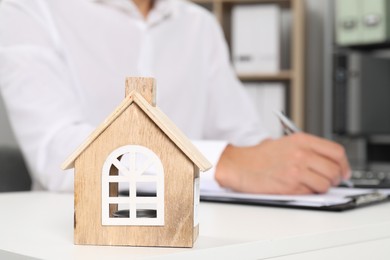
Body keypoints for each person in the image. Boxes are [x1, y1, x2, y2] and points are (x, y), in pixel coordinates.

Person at [0, 0, 350, 194]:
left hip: (203, 228)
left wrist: (287, 162)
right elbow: (57, 154)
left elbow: (245, 137)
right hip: (82, 233)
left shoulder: (199, 23)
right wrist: (223, 163)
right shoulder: (27, 9)